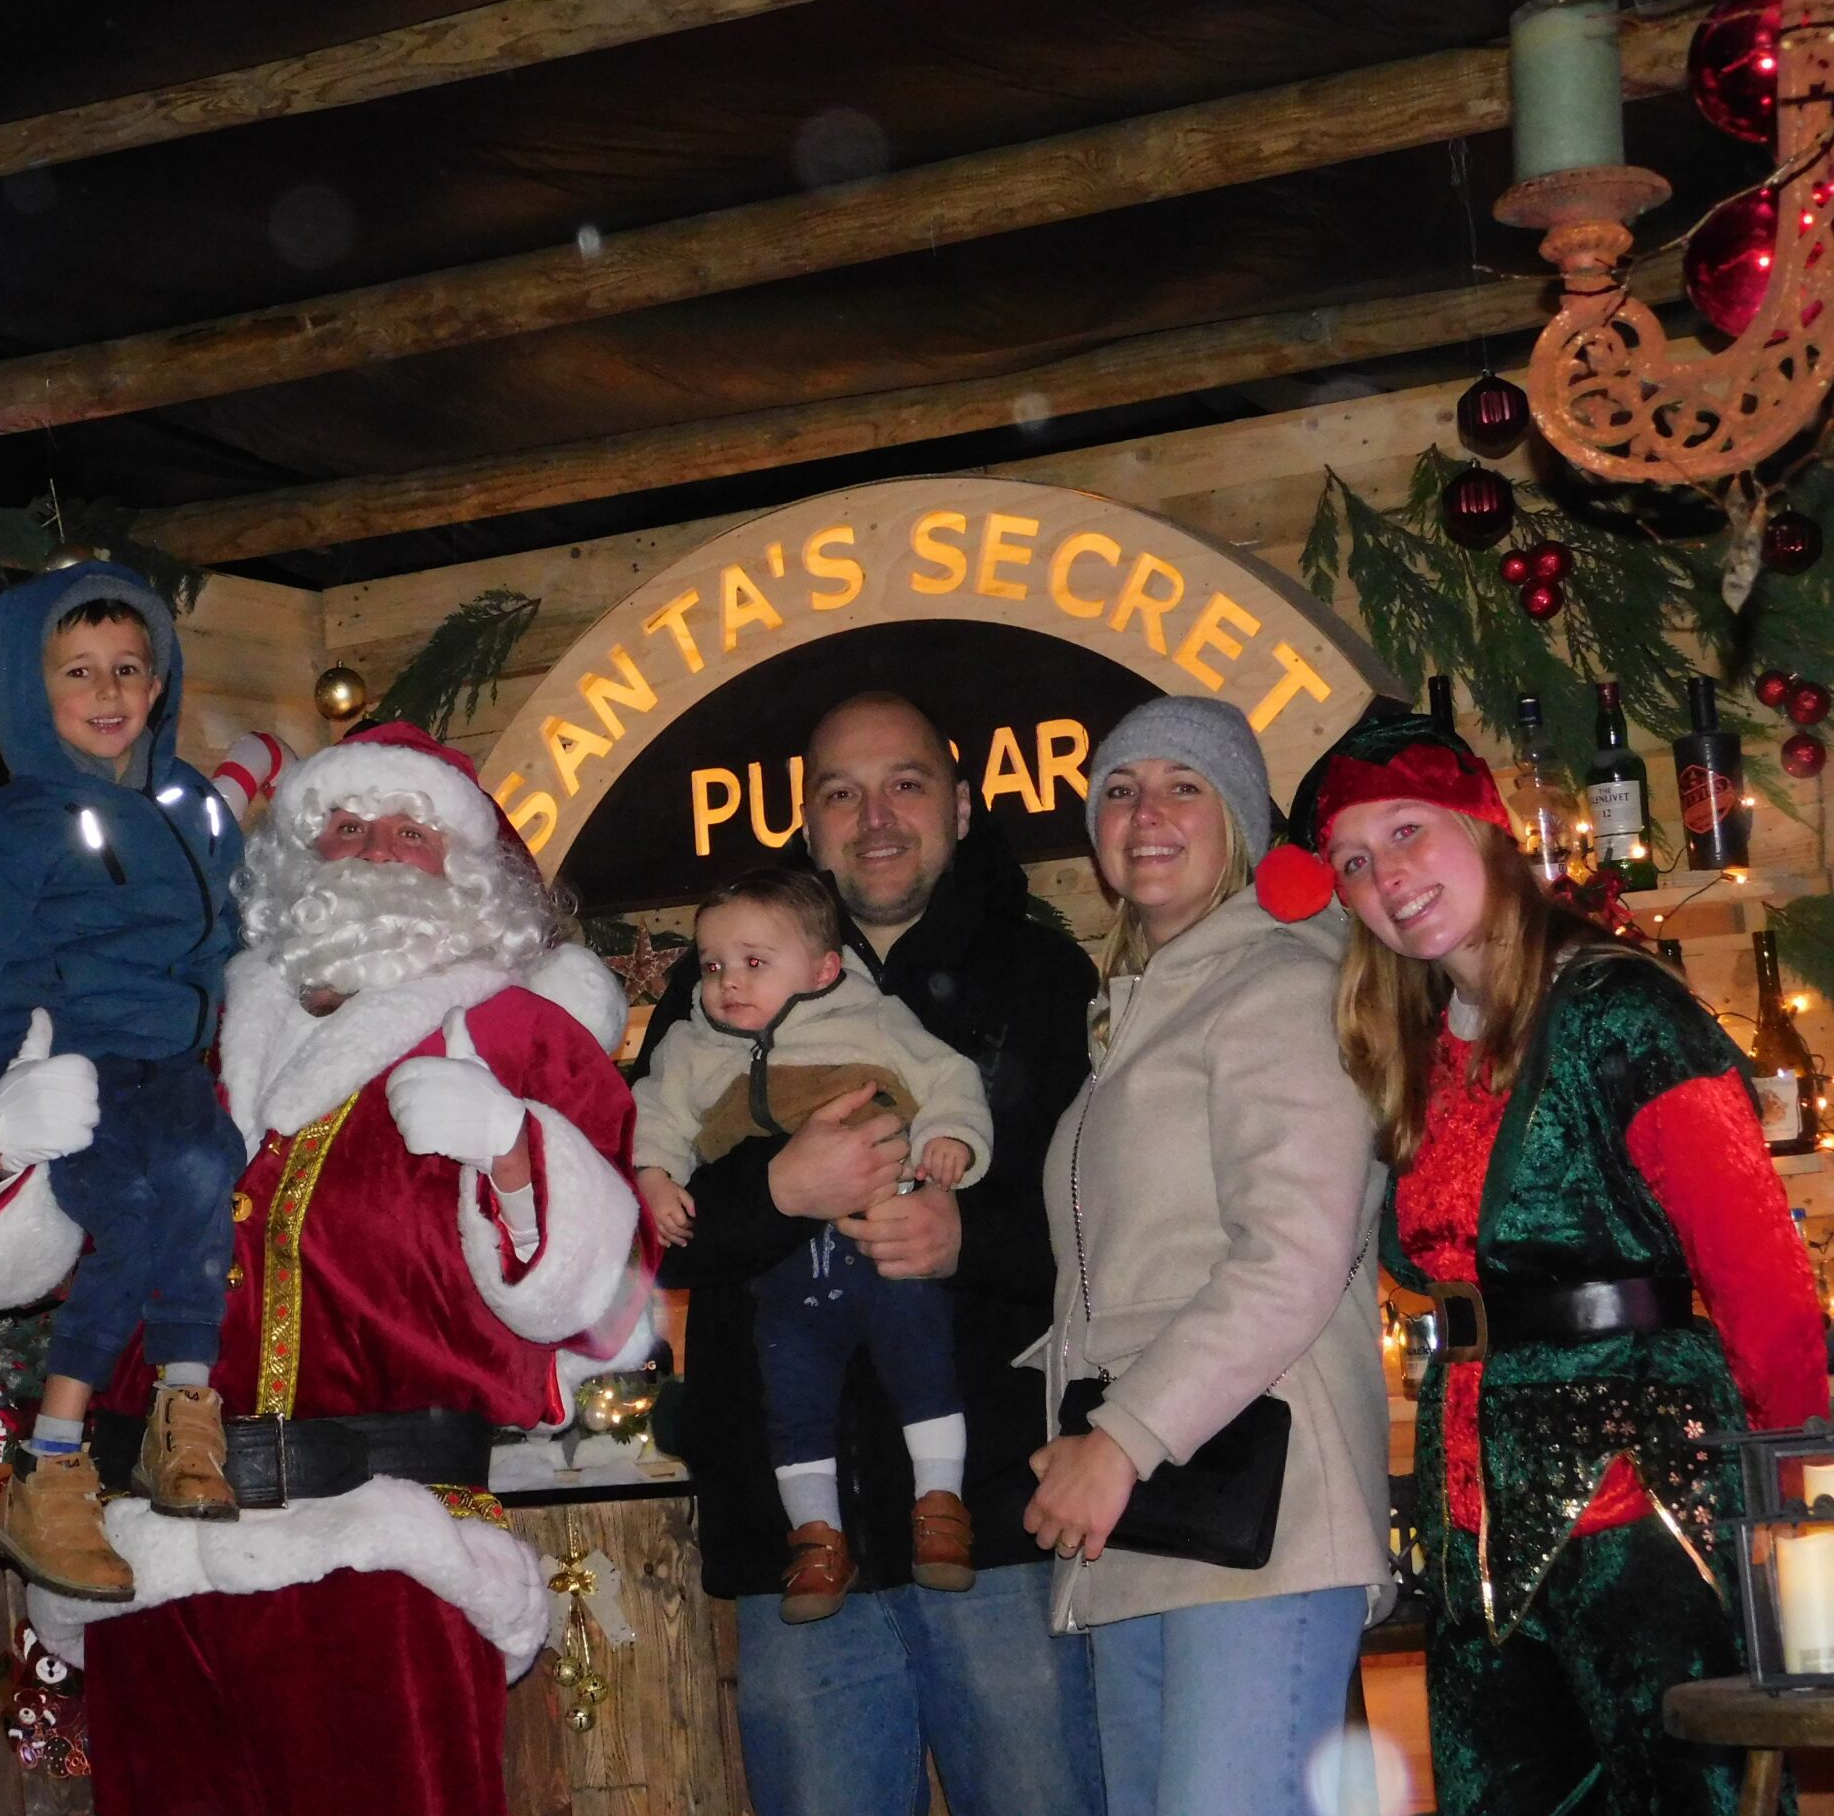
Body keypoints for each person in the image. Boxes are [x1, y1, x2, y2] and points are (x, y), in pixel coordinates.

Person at [0, 723, 648, 1816]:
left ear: (472, 872)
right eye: (343, 825)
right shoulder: (176, 1025)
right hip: (147, 1561)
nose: (373, 848)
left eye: (411, 831)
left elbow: (605, 1297)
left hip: (380, 1555)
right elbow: (4, 1265)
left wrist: (515, 1152)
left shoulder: (521, 1037)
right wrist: (4, 1142)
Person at [1281, 710, 1831, 1816]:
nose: (1386, 878)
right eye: (1352, 861)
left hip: (1642, 1492)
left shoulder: (1621, 1012)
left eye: (1406, 832)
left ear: (1481, 824)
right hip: (1473, 1510)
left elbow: (1759, 1277)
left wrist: (1804, 1493)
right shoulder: (1412, 1048)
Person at [639, 690, 1103, 1816]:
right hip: (795, 1534)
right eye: (841, 793)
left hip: (998, 1521)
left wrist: (965, 1238)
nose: (875, 816)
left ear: (959, 805)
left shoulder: (1042, 980)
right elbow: (648, 1231)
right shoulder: (715, 985)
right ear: (808, 826)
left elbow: (1104, 1228)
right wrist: (775, 1190)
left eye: (906, 783)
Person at [1021, 695, 1390, 1816]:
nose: (1147, 813)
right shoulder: (1137, 1012)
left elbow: (1292, 1256)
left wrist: (1121, 1438)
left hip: (1261, 1514)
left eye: (1185, 786)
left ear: (1240, 820)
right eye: (1120, 791)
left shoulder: (1282, 985)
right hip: (1147, 1513)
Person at [0, 556, 245, 1600]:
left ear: (160, 681)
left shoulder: (195, 804)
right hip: (77, 1071)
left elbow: (237, 927)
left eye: (128, 667)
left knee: (207, 1170)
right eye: (78, 672)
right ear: (30, 687)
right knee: (133, 1214)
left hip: (179, 1066)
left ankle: (185, 1416)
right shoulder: (18, 826)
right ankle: (50, 1463)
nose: (107, 692)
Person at [634, 866, 993, 1619]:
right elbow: (654, 1117)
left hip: (886, 1247)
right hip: (782, 1280)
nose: (728, 982)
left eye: (754, 963)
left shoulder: (872, 1020)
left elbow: (949, 1078)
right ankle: (816, 1540)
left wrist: (952, 1138)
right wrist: (655, 1177)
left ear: (824, 969)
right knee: (791, 1398)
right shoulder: (692, 1047)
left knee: (924, 1359)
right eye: (712, 966)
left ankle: (940, 1505)